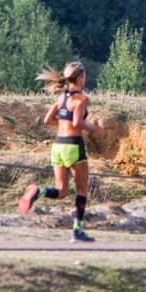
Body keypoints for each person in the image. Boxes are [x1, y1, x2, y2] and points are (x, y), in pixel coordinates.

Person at [19, 62, 104, 243]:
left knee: (62, 191)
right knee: (82, 190)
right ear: (80, 77)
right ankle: (77, 231)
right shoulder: (82, 99)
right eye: (85, 75)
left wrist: (64, 124)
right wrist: (93, 128)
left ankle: (39, 191)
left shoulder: (62, 97)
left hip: (58, 146)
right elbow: (77, 123)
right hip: (74, 145)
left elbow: (48, 119)